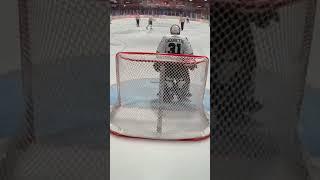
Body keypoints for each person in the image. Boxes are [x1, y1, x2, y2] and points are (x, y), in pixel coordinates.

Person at [153, 24, 195, 102]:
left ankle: (167, 92)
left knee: (166, 80)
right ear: (179, 31)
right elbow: (189, 54)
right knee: (183, 80)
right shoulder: (184, 39)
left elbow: (158, 52)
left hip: (167, 65)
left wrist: (157, 64)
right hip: (181, 66)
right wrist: (192, 64)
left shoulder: (165, 38)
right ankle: (182, 93)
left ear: (170, 31)